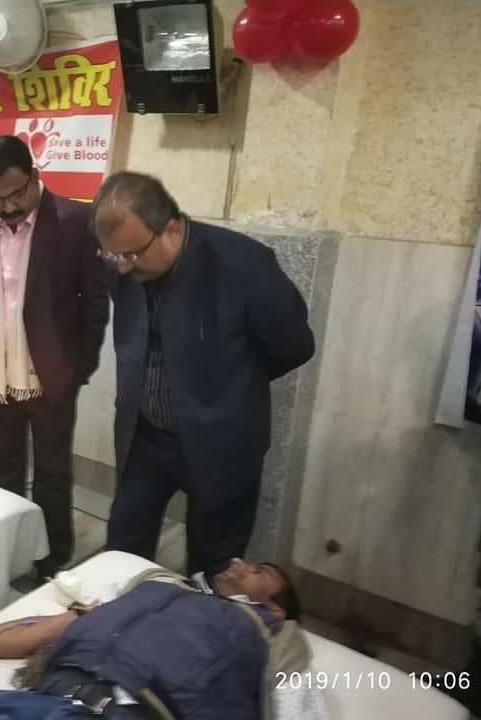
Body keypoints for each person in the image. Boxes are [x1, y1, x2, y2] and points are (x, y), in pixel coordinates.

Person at [93, 172, 315, 576]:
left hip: (221, 440)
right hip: (146, 435)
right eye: (113, 256)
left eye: (133, 255)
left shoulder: (243, 265)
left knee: (214, 566)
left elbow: (294, 346)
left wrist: (227, 386)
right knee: (123, 543)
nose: (122, 268)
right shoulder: (124, 261)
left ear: (172, 229)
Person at [0, 558, 320, 720]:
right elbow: (58, 627)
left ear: (277, 608)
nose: (239, 561)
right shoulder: (157, 584)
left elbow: (297, 710)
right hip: (36, 702)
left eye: (258, 570)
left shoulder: (273, 633)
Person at [0, 136, 108, 580]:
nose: (6, 207)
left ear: (34, 176)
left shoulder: (74, 221)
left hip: (50, 375)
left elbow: (95, 304)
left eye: (15, 194)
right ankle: (6, 548)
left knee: (52, 471)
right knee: (1, 468)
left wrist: (79, 368)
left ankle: (51, 558)